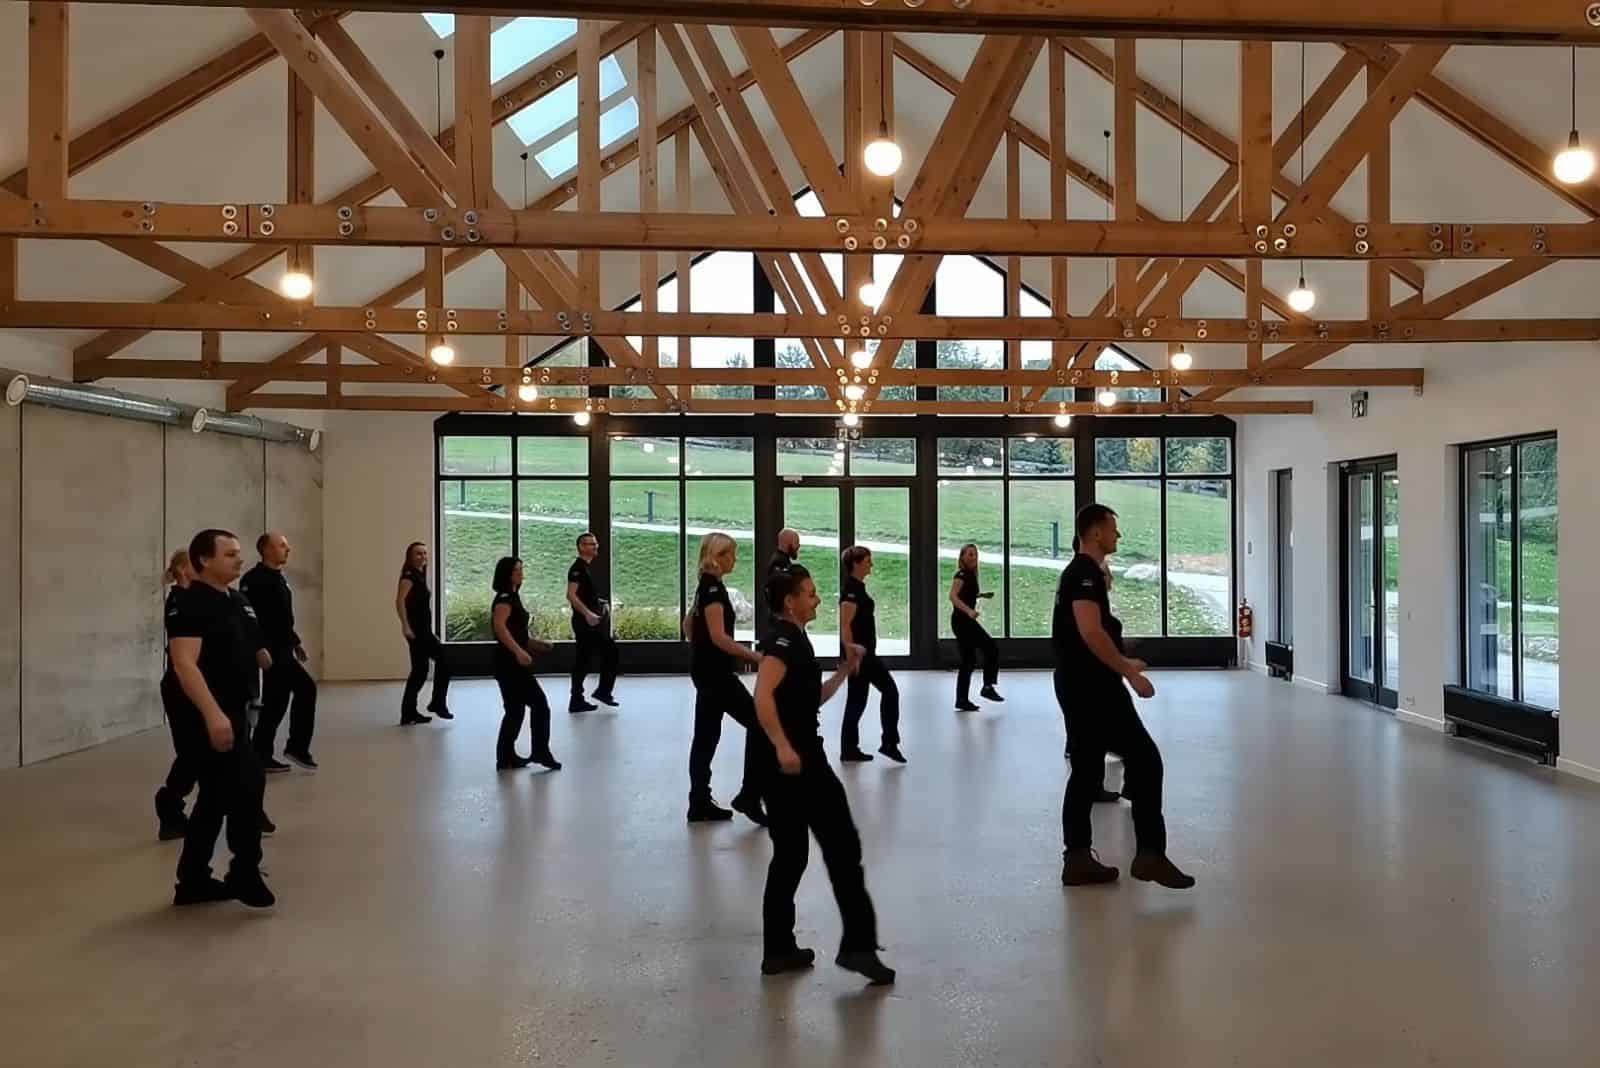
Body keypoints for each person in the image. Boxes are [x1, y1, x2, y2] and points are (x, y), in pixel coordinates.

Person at [754, 564, 896, 986]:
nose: (817, 599)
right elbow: (762, 696)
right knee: (840, 847)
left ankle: (778, 950)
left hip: (789, 762)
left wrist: (841, 672)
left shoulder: (796, 639)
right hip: (794, 764)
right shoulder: (782, 639)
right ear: (790, 601)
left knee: (793, 854)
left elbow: (808, 699)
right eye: (811, 593)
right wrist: (782, 745)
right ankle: (857, 948)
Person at [1055, 504, 1194, 890]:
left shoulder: (1087, 574)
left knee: (1085, 771)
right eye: (1113, 530)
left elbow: (1092, 633)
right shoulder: (1082, 573)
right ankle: (1150, 854)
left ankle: (1078, 858)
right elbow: (1089, 633)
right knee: (1145, 760)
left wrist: (1121, 652)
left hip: (1081, 682)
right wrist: (1129, 672)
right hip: (1092, 688)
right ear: (1096, 533)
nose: (1118, 536)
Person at [164, 529, 274, 908]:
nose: (238, 560)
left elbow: (250, 640)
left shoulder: (237, 599)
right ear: (204, 560)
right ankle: (244, 871)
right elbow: (183, 663)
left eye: (239, 553)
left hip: (232, 707)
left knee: (215, 794)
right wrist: (212, 714)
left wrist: (262, 657)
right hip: (201, 710)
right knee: (245, 784)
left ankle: (192, 880)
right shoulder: (189, 602)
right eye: (229, 554)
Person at [684, 532, 768, 825]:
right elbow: (720, 637)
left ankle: (699, 802)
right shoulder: (714, 591)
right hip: (717, 674)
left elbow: (688, 627)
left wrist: (702, 648)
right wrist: (756, 657)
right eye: (731, 554)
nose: (735, 559)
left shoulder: (705, 586)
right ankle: (749, 795)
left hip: (706, 671)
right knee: (760, 725)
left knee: (706, 737)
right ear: (718, 557)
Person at [243, 533, 318, 772]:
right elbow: (252, 619)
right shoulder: (254, 580)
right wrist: (258, 648)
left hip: (283, 646)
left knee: (276, 702)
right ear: (266, 550)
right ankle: (297, 746)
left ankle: (260, 753)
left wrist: (295, 642)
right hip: (272, 650)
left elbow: (281, 618)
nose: (288, 548)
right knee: (307, 688)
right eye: (282, 545)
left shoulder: (278, 577)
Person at [492, 556, 562, 772]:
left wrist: (535, 644)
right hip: (509, 664)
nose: (521, 574)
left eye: (521, 569)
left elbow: (517, 633)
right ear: (507, 574)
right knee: (540, 705)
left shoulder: (514, 597)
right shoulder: (505, 598)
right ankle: (540, 751)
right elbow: (500, 628)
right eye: (517, 570)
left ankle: (505, 757)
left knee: (514, 710)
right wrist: (519, 652)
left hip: (508, 662)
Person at [838, 546, 903, 764]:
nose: (871, 564)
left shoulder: (857, 588)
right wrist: (851, 655)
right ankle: (888, 743)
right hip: (861, 656)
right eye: (867, 561)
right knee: (888, 692)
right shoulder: (851, 591)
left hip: (865, 654)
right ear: (856, 563)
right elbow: (845, 625)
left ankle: (850, 748)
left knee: (857, 702)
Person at [396, 541, 452, 726]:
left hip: (423, 630)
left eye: (425, 554)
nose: (422, 557)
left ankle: (408, 713)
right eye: (418, 554)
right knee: (444, 661)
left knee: (419, 672)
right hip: (417, 632)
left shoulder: (419, 575)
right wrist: (405, 626)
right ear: (410, 557)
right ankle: (437, 703)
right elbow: (399, 602)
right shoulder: (408, 577)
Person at [567, 532, 619, 713]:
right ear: (581, 547)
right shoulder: (577, 569)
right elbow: (571, 595)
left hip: (590, 621)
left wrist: (600, 604)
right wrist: (588, 613)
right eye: (590, 544)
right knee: (609, 653)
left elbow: (584, 595)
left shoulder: (585, 568)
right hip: (586, 624)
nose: (595, 547)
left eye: (595, 544)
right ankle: (601, 692)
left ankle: (578, 699)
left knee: (584, 660)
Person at [949, 543, 1002, 711]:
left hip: (964, 621)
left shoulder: (971, 575)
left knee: (968, 661)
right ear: (962, 557)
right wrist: (969, 611)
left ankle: (961, 700)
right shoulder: (961, 575)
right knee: (991, 648)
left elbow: (967, 594)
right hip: (962, 621)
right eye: (970, 554)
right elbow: (953, 597)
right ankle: (987, 687)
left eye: (975, 554)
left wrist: (981, 595)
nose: (973, 557)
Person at [763, 527, 800, 631]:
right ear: (789, 543)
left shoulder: (782, 560)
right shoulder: (779, 563)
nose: (798, 546)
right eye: (796, 542)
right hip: (779, 616)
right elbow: (780, 590)